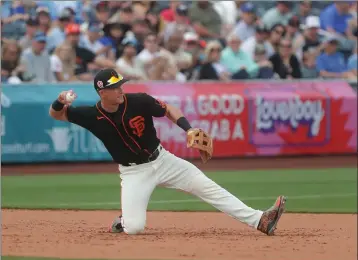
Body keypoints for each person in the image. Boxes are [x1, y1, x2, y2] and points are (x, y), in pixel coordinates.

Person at [48, 68, 286, 235]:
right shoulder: (91, 115)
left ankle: (260, 220)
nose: (121, 89)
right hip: (134, 173)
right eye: (115, 87)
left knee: (208, 187)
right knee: (135, 228)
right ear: (103, 93)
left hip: (163, 160)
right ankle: (122, 222)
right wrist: (59, 100)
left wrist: (188, 129)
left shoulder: (138, 101)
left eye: (121, 84)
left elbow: (169, 109)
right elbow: (56, 114)